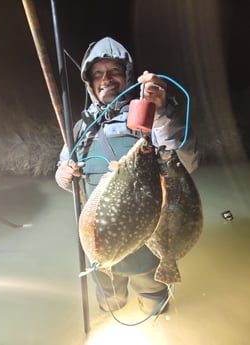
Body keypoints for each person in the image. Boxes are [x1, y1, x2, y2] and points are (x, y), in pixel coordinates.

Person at [55, 37, 200, 314]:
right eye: (98, 74)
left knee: (153, 301)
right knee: (110, 303)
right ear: (90, 82)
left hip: (145, 240)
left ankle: (158, 321)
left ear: (128, 76)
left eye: (114, 72)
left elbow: (186, 162)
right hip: (97, 240)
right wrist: (63, 176)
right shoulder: (79, 127)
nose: (106, 79)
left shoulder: (148, 117)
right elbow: (63, 171)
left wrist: (160, 112)